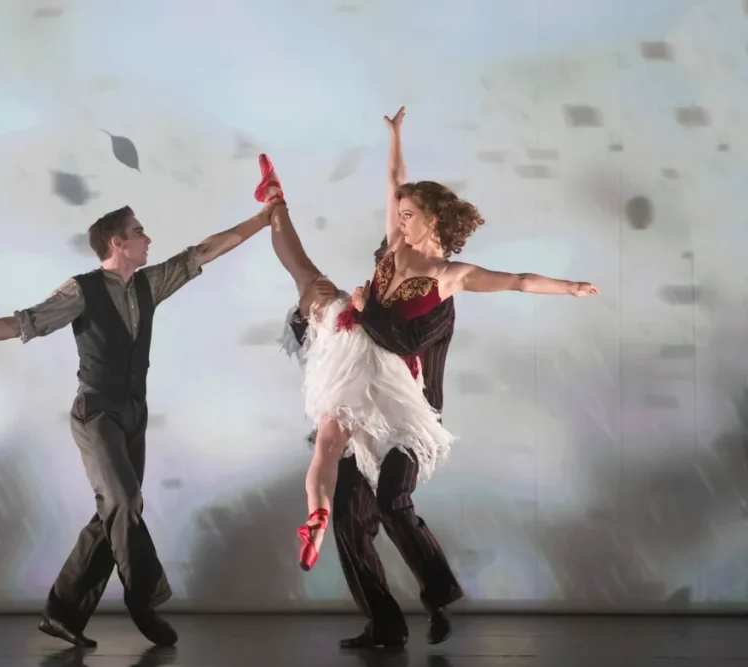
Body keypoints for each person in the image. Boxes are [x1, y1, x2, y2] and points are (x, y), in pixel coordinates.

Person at [0, 200, 278, 648]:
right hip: (96, 413)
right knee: (124, 500)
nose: (148, 238)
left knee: (113, 514)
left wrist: (264, 218)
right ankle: (144, 601)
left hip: (133, 415)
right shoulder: (81, 291)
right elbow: (20, 324)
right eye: (139, 231)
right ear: (116, 242)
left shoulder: (150, 284)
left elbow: (204, 251)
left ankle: (62, 612)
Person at [257, 105, 600, 576]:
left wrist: (570, 287)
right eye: (398, 215)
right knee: (305, 281)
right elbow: (396, 177)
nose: (399, 223)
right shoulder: (396, 245)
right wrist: (395, 136)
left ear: (432, 220)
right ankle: (317, 520)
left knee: (334, 434)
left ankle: (275, 200)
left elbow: (518, 279)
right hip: (355, 348)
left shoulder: (449, 275)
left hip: (384, 368)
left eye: (409, 216)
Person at [287, 238, 461, 649]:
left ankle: (438, 601)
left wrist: (363, 311)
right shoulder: (371, 298)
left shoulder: (437, 299)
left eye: (397, 261)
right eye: (385, 261)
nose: (391, 268)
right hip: (358, 415)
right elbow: (321, 340)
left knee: (392, 500)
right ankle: (384, 623)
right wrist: (312, 309)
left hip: (411, 421)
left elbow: (406, 342)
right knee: (348, 516)